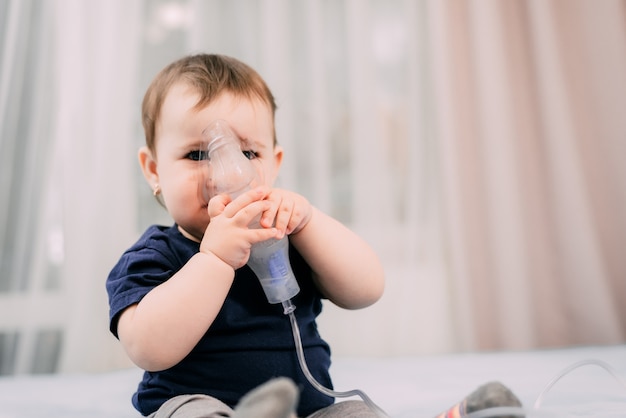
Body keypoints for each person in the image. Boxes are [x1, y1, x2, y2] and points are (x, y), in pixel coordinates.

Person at [106, 53, 386, 418]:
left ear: (274, 164)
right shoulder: (155, 256)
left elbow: (367, 289)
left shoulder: (291, 236)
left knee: (358, 413)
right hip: (201, 404)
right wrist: (215, 260)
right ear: (154, 170)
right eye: (197, 154)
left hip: (307, 411)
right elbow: (147, 347)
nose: (226, 174)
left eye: (248, 152)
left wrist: (309, 222)